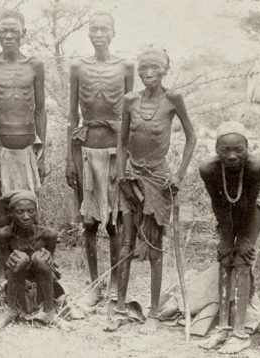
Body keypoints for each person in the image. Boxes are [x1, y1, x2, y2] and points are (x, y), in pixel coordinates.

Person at [107, 47, 197, 333]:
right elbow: (121, 144)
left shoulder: (174, 99)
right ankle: (120, 308)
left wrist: (179, 176)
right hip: (130, 178)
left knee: (156, 247)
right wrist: (122, 176)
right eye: (143, 67)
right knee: (125, 243)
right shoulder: (130, 100)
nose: (148, 72)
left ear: (164, 70)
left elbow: (191, 138)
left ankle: (154, 314)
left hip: (159, 179)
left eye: (154, 67)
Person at [0, 9, 47, 302]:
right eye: (3, 31)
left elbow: (40, 109)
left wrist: (41, 153)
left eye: (13, 32)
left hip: (27, 150)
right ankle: (3, 283)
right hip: (0, 150)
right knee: (2, 222)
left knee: (28, 217)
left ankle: (31, 279)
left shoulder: (35, 65)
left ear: (23, 34)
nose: (8, 36)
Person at [65, 11, 134, 309]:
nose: (98, 34)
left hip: (116, 151)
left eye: (104, 29)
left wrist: (129, 158)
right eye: (93, 29)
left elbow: (131, 113)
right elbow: (72, 115)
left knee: (116, 221)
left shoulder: (126, 66)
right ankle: (95, 284)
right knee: (90, 221)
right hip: (87, 150)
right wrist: (70, 159)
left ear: (114, 32)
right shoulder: (78, 67)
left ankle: (116, 282)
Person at [197, 121, 260, 354]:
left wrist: (244, 240)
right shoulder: (208, 168)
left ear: (247, 148)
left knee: (242, 258)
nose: (231, 156)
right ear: (216, 149)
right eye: (225, 150)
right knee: (225, 257)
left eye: (238, 150)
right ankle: (222, 327)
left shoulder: (255, 167)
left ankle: (239, 332)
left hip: (256, 201)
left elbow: (248, 207)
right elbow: (218, 203)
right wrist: (226, 238)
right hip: (228, 205)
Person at [0, 191, 64, 330]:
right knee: (20, 259)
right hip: (18, 289)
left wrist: (46, 257)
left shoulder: (49, 235)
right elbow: (7, 271)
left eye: (31, 211)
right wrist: (15, 261)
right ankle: (11, 311)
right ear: (10, 214)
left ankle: (49, 312)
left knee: (40, 258)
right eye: (19, 212)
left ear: (36, 212)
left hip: (43, 289)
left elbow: (50, 267)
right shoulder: (4, 235)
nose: (26, 217)